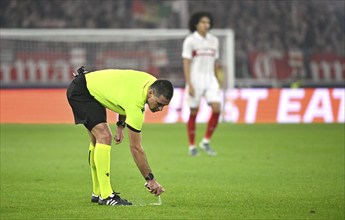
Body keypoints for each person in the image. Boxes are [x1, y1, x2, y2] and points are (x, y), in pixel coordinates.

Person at [66, 67, 174, 206]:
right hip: (82, 92)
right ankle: (106, 196)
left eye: (164, 106)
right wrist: (150, 179)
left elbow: (125, 93)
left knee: (96, 140)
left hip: (88, 86)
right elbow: (136, 148)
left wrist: (121, 125)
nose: (160, 109)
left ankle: (97, 192)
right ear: (150, 93)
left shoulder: (151, 83)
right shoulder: (136, 105)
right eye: (159, 104)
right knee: (104, 136)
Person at [182, 12, 221, 156]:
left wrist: (218, 79)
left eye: (208, 22)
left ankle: (205, 141)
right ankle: (192, 146)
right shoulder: (190, 41)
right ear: (196, 24)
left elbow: (215, 62)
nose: (206, 25)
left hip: (210, 79)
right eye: (203, 22)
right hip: (195, 79)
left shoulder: (214, 40)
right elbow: (186, 62)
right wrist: (189, 83)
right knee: (194, 112)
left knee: (217, 108)